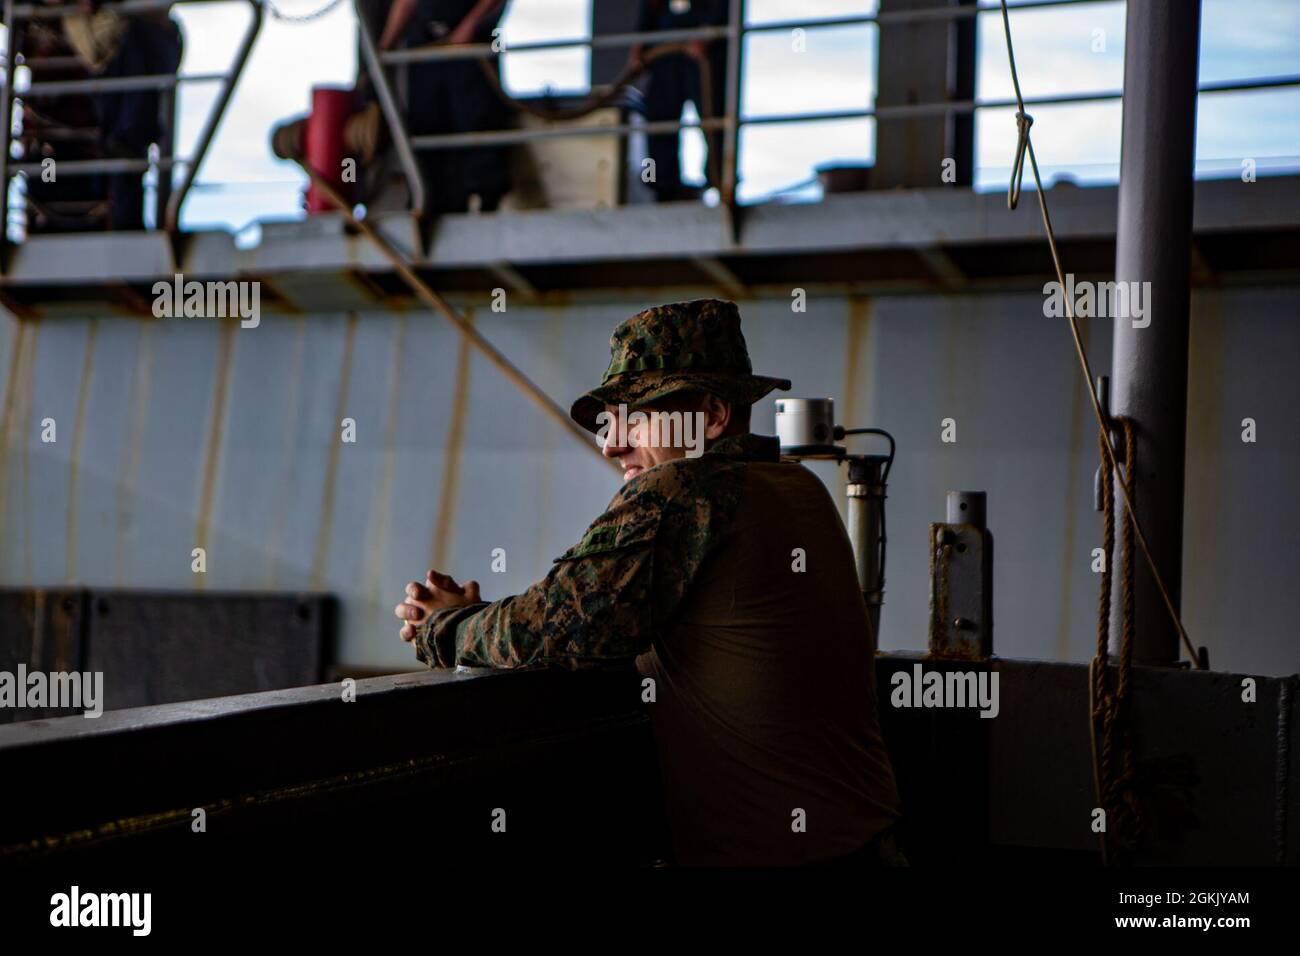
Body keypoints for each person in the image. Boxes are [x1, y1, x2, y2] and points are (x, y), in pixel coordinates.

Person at [394, 298, 905, 867]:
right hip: (867, 850)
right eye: (612, 421)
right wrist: (489, 616)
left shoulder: (687, 489)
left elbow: (559, 629)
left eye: (636, 416)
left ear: (712, 415)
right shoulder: (797, 487)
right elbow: (595, 614)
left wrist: (443, 628)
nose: (611, 444)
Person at [377, 0, 510, 212]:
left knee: (478, 120)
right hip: (425, 45)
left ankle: (486, 200)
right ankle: (429, 201)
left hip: (473, 45)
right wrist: (383, 49)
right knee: (426, 123)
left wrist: (469, 27)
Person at [629, 0, 729, 202]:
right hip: (665, 56)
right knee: (658, 120)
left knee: (714, 120)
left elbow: (726, 11)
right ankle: (662, 186)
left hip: (704, 58)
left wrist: (706, 35)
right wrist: (638, 47)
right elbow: (649, 12)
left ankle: (720, 182)